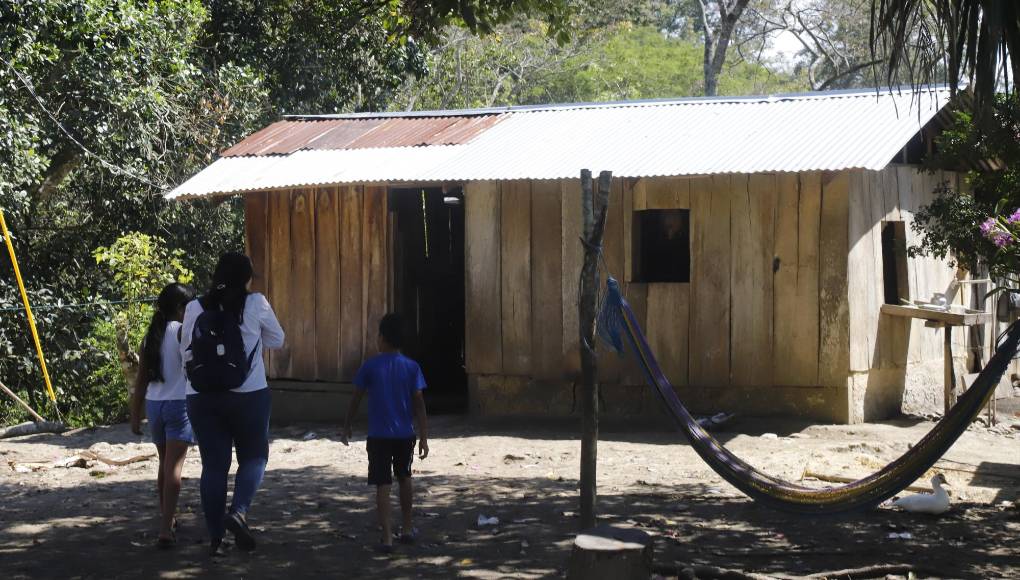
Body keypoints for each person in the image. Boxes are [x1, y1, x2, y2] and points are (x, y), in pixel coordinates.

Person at [180, 252, 285, 555]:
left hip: (201, 397)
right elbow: (277, 339)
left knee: (213, 466)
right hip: (249, 394)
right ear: (247, 278)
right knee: (254, 456)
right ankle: (238, 512)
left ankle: (215, 538)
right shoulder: (255, 304)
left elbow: (184, 351)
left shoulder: (194, 307)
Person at [341, 313, 429, 552]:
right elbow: (419, 404)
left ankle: (388, 537)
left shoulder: (370, 366)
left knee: (382, 484)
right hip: (404, 435)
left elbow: (356, 399)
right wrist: (423, 436)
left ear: (382, 338)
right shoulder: (412, 368)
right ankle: (408, 528)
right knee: (405, 477)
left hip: (379, 436)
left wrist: (347, 425)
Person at [130, 282, 197, 548]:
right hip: (178, 404)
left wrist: (135, 414)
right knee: (174, 469)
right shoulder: (183, 332)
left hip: (154, 405)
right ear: (181, 308)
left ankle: (166, 518)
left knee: (164, 465)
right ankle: (165, 529)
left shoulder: (151, 336)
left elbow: (142, 379)